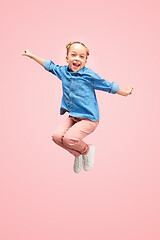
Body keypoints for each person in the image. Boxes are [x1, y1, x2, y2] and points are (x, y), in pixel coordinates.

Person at [22, 41, 133, 174]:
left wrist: (124, 92)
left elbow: (107, 85)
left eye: (81, 57)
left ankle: (87, 150)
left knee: (69, 139)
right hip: (73, 116)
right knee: (56, 137)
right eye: (73, 55)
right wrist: (32, 56)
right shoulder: (63, 72)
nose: (77, 59)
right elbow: (49, 66)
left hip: (89, 119)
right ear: (67, 58)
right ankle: (78, 155)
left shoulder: (89, 75)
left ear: (86, 61)